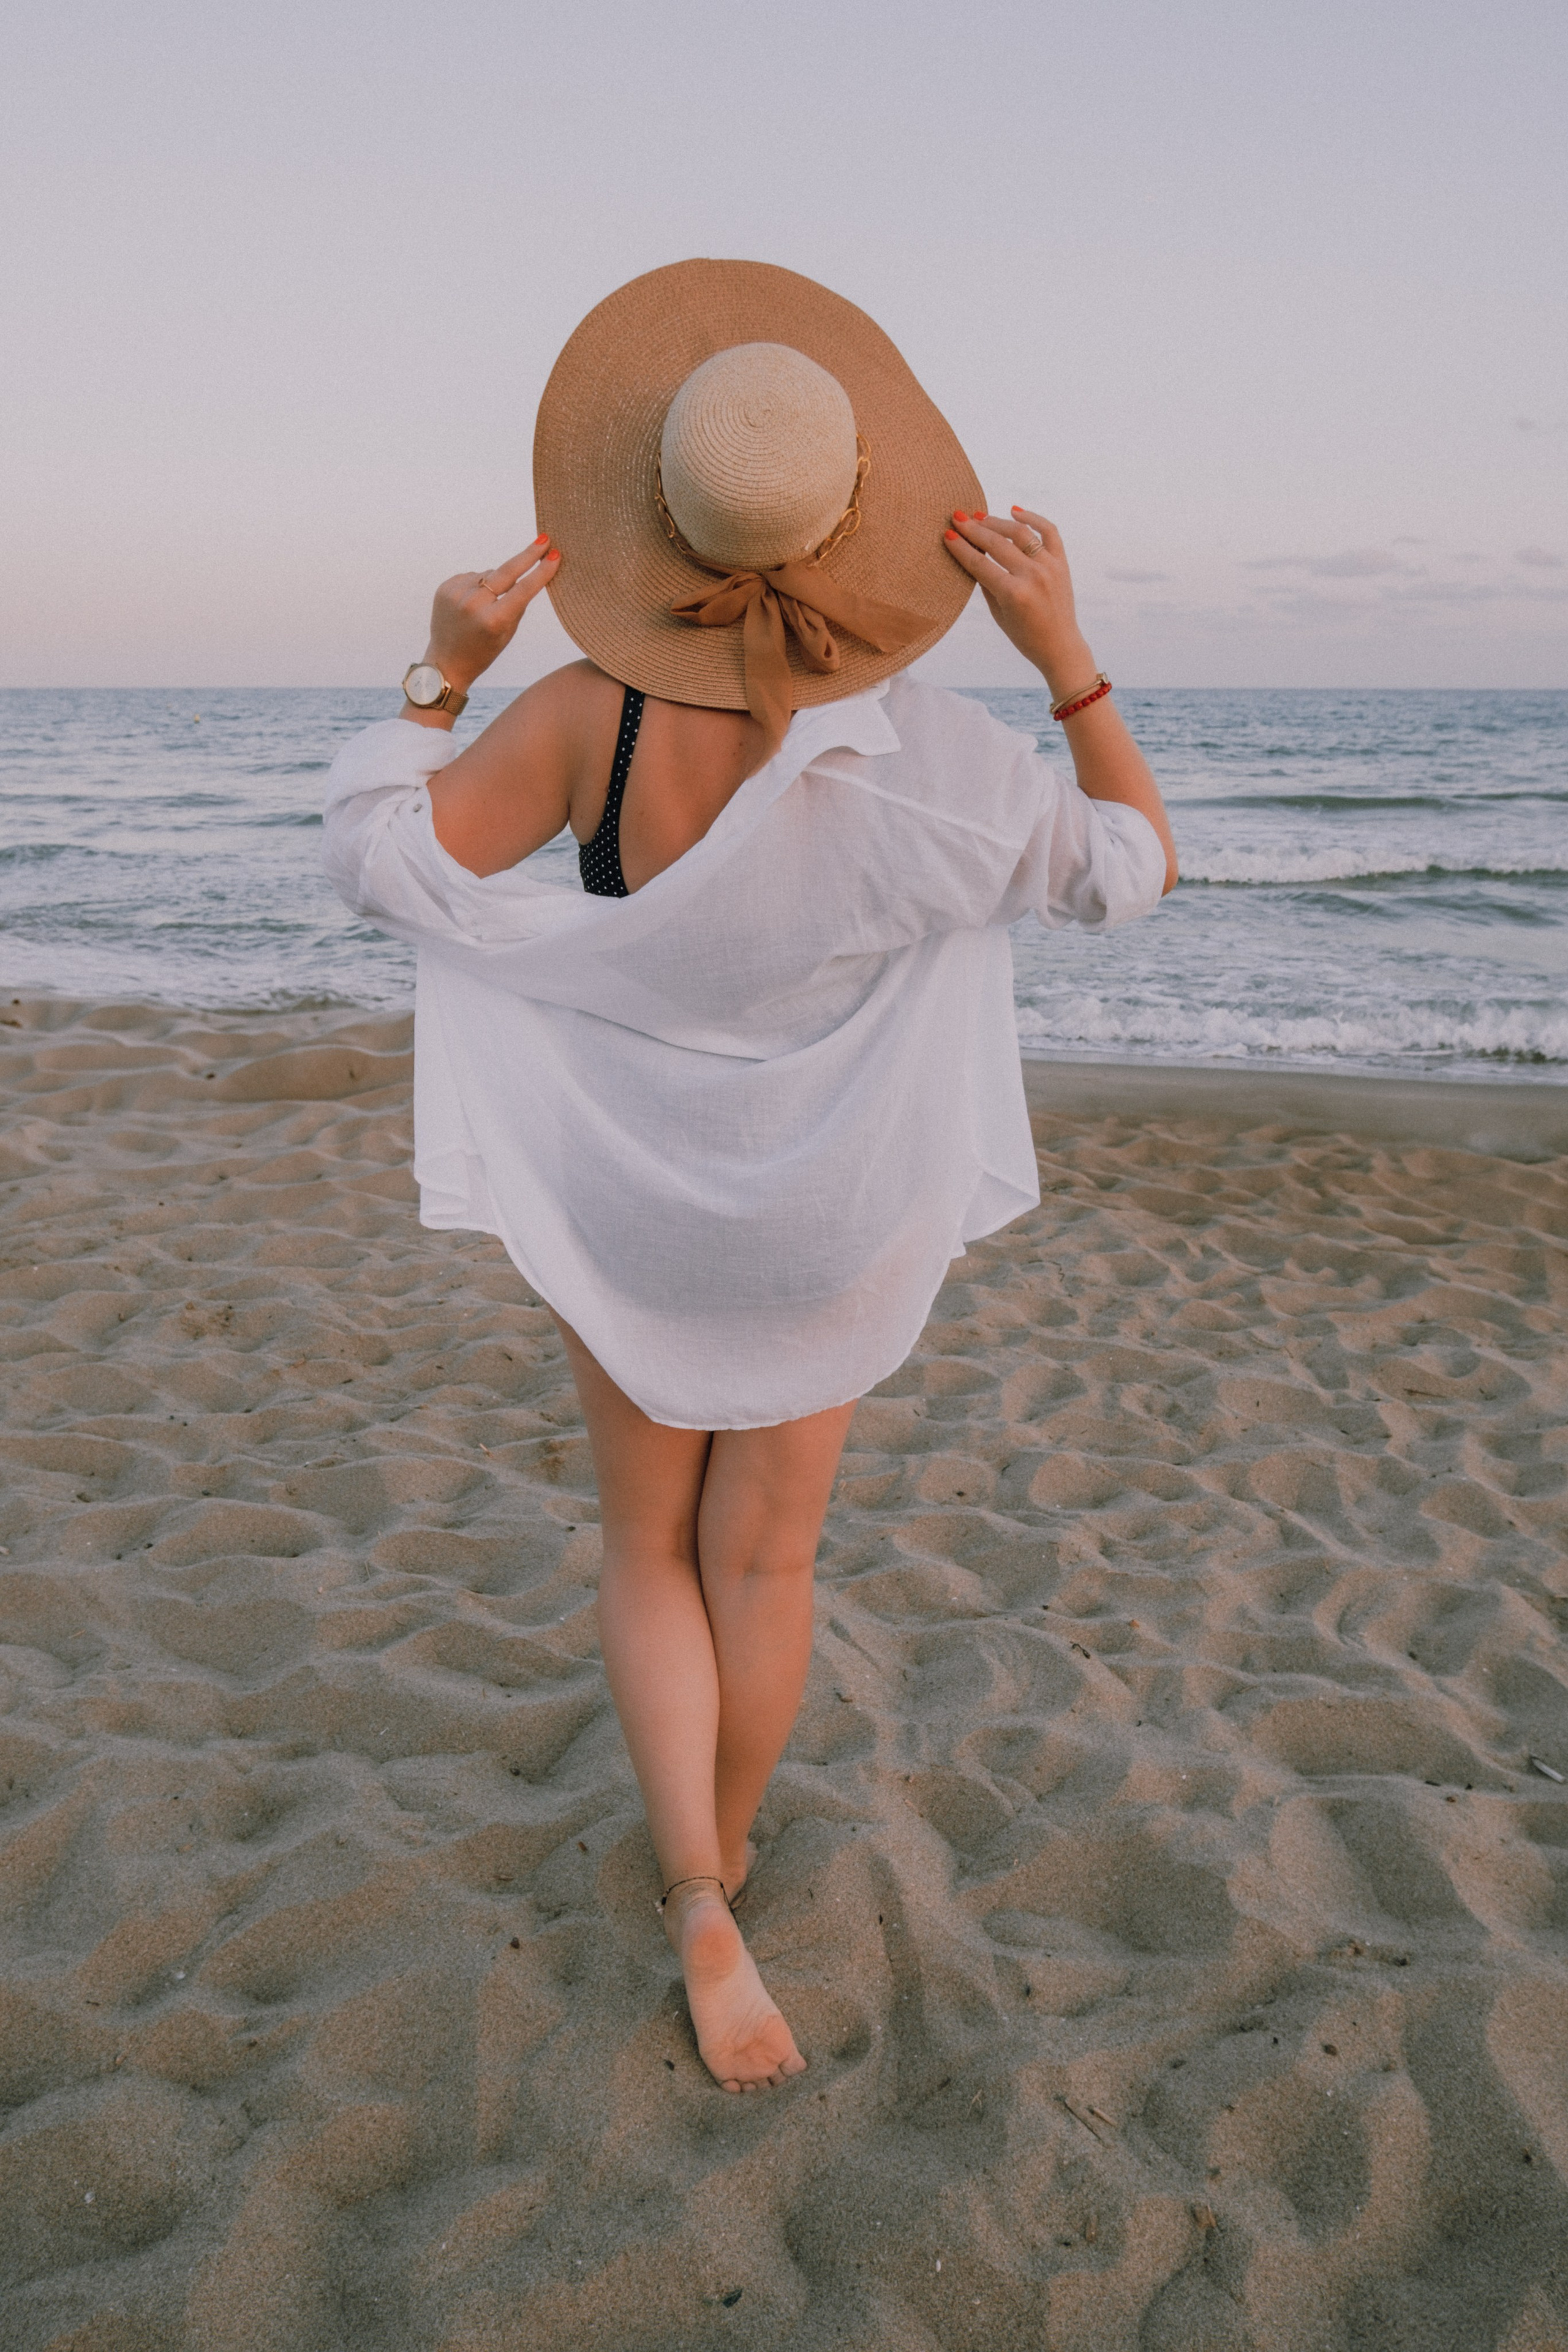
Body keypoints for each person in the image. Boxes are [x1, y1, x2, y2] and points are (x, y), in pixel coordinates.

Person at [322, 260, 1176, 2096]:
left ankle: (695, 1895)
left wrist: (443, 668)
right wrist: (1066, 657)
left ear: (656, 519)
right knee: (767, 1553)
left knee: (645, 1540)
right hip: (824, 1210)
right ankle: (733, 1845)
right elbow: (1127, 868)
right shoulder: (942, 761)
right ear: (861, 524)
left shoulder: (577, 720)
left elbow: (384, 855)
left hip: (636, 1194)